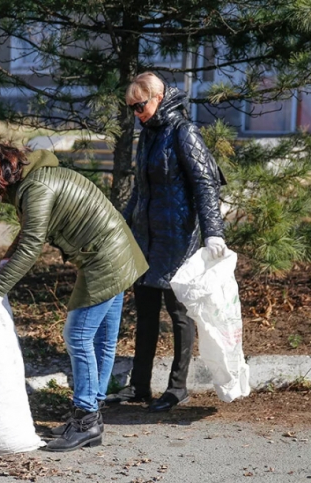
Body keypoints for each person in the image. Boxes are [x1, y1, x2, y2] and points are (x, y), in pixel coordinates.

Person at [0, 143, 148, 452]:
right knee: (102, 338)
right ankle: (91, 415)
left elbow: (32, 245)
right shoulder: (37, 177)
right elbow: (29, 232)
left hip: (104, 257)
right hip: (116, 249)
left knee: (77, 335)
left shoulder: (35, 189)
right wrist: (5, 261)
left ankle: (86, 419)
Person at [108, 72, 227, 412]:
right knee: (144, 310)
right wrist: (121, 221)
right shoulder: (148, 135)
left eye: (140, 105)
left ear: (158, 98)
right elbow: (141, 188)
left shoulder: (183, 132)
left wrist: (213, 231)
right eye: (132, 107)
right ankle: (140, 386)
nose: (136, 112)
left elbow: (206, 184)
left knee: (179, 314)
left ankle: (177, 387)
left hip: (178, 237)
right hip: (147, 237)